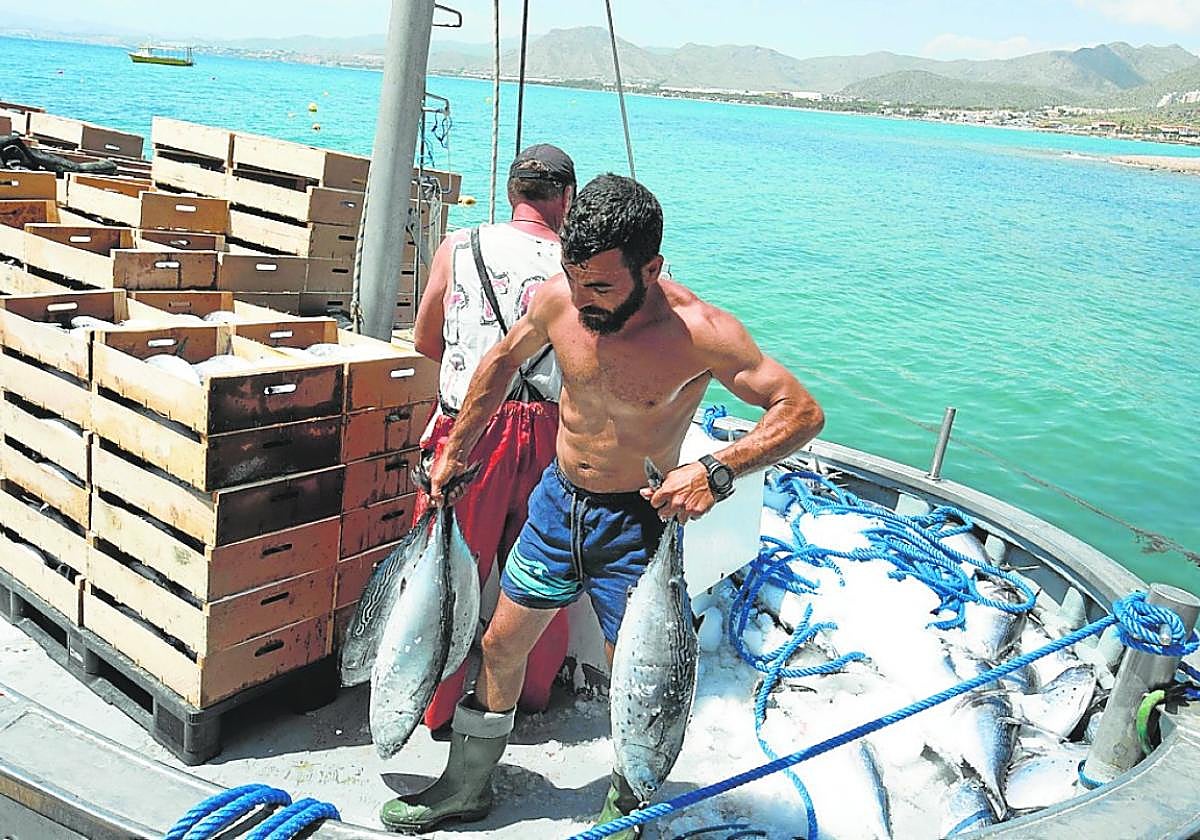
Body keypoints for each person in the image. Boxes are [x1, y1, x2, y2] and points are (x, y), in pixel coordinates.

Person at [381, 174, 825, 836]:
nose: (582, 299)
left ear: (651, 268)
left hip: (637, 525)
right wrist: (453, 449)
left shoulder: (701, 332)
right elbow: (500, 364)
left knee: (636, 680)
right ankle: (467, 785)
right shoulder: (560, 301)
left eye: (603, 287)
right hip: (557, 507)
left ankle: (627, 807)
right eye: (574, 277)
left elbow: (801, 410)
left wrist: (716, 469)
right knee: (501, 645)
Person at [407, 144, 577, 736]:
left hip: (471, 428)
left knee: (448, 572)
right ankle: (531, 693)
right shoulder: (583, 265)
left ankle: (433, 706)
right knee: (542, 572)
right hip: (556, 434)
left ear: (511, 194)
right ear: (567, 199)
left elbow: (427, 338)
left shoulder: (460, 245)